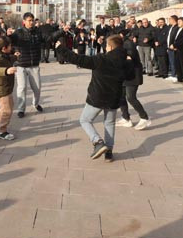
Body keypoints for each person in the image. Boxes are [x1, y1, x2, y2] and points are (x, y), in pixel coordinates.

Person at [56, 34, 132, 162]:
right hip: (114, 97)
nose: (106, 47)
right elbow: (129, 76)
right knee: (109, 123)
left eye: (107, 45)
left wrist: (61, 49)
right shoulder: (125, 60)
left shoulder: (101, 59)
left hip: (98, 96)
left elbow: (78, 59)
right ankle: (109, 152)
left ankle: (97, 142)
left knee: (85, 120)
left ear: (111, 47)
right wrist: (129, 62)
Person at [10, 13, 48, 117]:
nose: (32, 22)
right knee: (21, 88)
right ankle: (21, 109)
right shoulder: (18, 33)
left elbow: (48, 38)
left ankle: (35, 104)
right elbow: (9, 43)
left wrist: (62, 31)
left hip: (34, 65)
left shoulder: (38, 32)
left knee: (37, 88)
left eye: (33, 20)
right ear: (24, 21)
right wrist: (14, 50)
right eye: (29, 20)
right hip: (21, 64)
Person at [116, 35, 151, 130]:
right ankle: (126, 118)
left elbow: (129, 58)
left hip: (132, 76)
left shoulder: (128, 44)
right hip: (125, 75)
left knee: (131, 97)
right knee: (120, 96)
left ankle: (144, 118)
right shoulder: (121, 45)